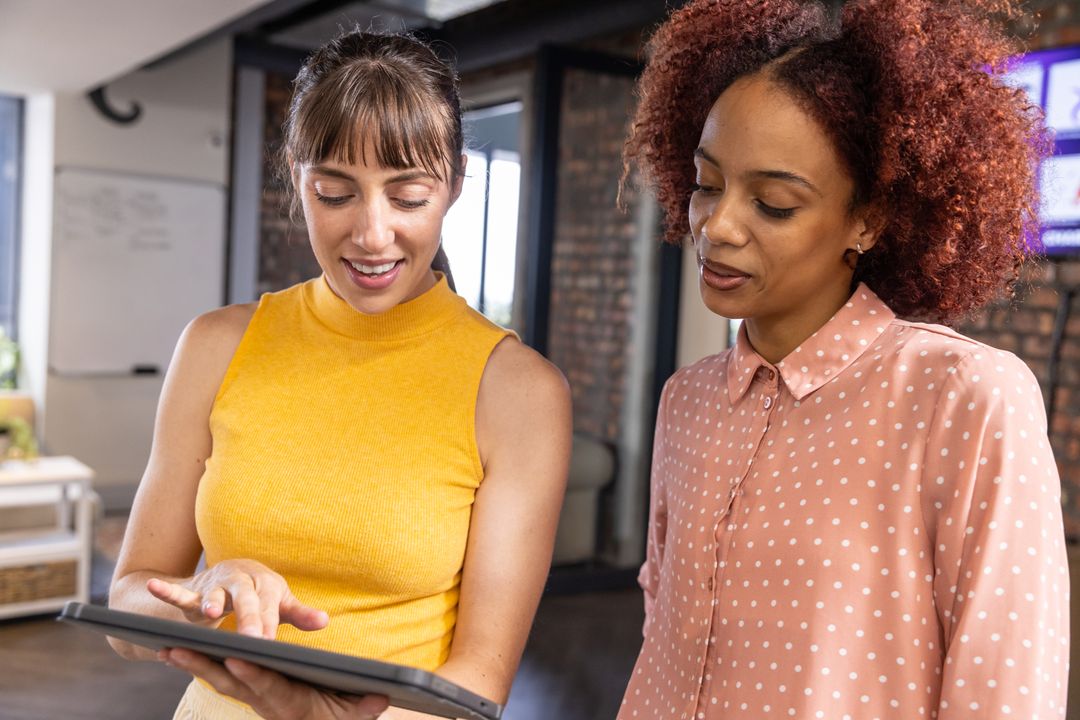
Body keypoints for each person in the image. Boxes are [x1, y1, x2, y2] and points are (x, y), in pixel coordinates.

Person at [617, 0, 1069, 718]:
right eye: (707, 184)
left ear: (869, 218)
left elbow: (1004, 689)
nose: (719, 225)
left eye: (773, 203)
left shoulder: (963, 400)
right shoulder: (687, 400)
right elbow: (661, 636)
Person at [107, 30, 572, 720]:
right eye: (335, 192)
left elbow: (480, 682)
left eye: (408, 197)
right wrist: (205, 595)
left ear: (456, 185)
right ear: (296, 175)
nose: (373, 234)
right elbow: (126, 609)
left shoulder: (518, 392)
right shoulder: (216, 346)